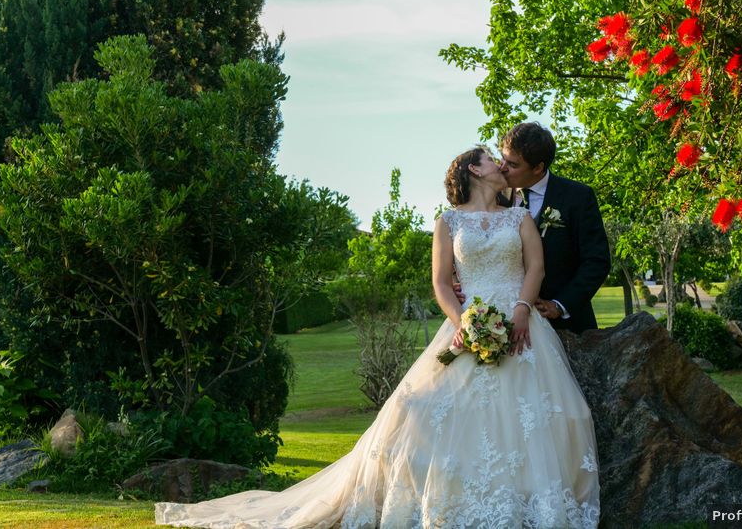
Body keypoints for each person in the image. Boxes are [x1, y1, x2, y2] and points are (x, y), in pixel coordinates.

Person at [155, 146, 600, 528]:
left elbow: (535, 268)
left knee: (539, 416)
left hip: (521, 325)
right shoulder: (447, 222)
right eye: (489, 158)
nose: (500, 164)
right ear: (472, 170)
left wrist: (521, 311)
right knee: (433, 416)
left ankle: (527, 504)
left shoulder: (519, 216)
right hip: (468, 323)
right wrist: (463, 322)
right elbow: (442, 283)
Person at [464, 122, 611, 334]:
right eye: (502, 158)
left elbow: (597, 261)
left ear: (538, 168)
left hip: (564, 326)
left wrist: (561, 305)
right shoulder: (491, 197)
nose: (502, 167)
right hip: (501, 323)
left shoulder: (577, 197)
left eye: (513, 164)